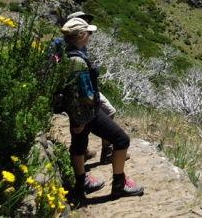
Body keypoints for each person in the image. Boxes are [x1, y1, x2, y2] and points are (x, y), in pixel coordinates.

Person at [60, 17, 143, 204]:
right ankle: (119, 184)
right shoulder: (77, 61)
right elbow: (84, 93)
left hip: (75, 112)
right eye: (88, 32)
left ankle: (81, 183)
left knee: (78, 146)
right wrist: (82, 120)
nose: (90, 35)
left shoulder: (67, 53)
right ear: (80, 35)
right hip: (87, 113)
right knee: (122, 139)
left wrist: (75, 119)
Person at [65, 11, 122, 165]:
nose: (89, 30)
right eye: (85, 24)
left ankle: (90, 152)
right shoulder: (70, 50)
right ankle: (96, 153)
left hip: (88, 90)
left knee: (107, 112)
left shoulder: (79, 47)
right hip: (82, 93)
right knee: (88, 124)